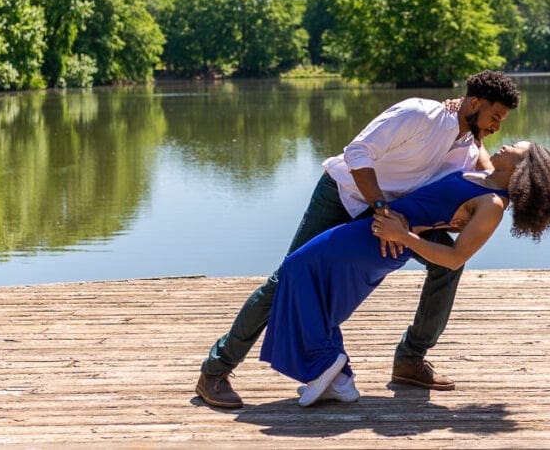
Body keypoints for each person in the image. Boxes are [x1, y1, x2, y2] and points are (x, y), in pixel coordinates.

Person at [196, 70, 521, 409]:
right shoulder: (419, 114)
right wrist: (380, 208)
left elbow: (490, 184)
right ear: (473, 102)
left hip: (396, 215)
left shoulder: (469, 147)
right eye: (495, 116)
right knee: (286, 279)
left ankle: (410, 360)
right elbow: (358, 152)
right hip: (344, 196)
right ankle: (215, 372)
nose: (498, 126)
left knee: (449, 263)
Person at [260, 140, 550, 406]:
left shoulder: (492, 205)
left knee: (297, 267)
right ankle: (339, 381)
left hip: (384, 241)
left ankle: (328, 364)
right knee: (319, 289)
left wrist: (403, 237)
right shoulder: (486, 175)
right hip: (379, 231)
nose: (506, 144)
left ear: (521, 169)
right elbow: (475, 136)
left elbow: (455, 258)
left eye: (515, 149)